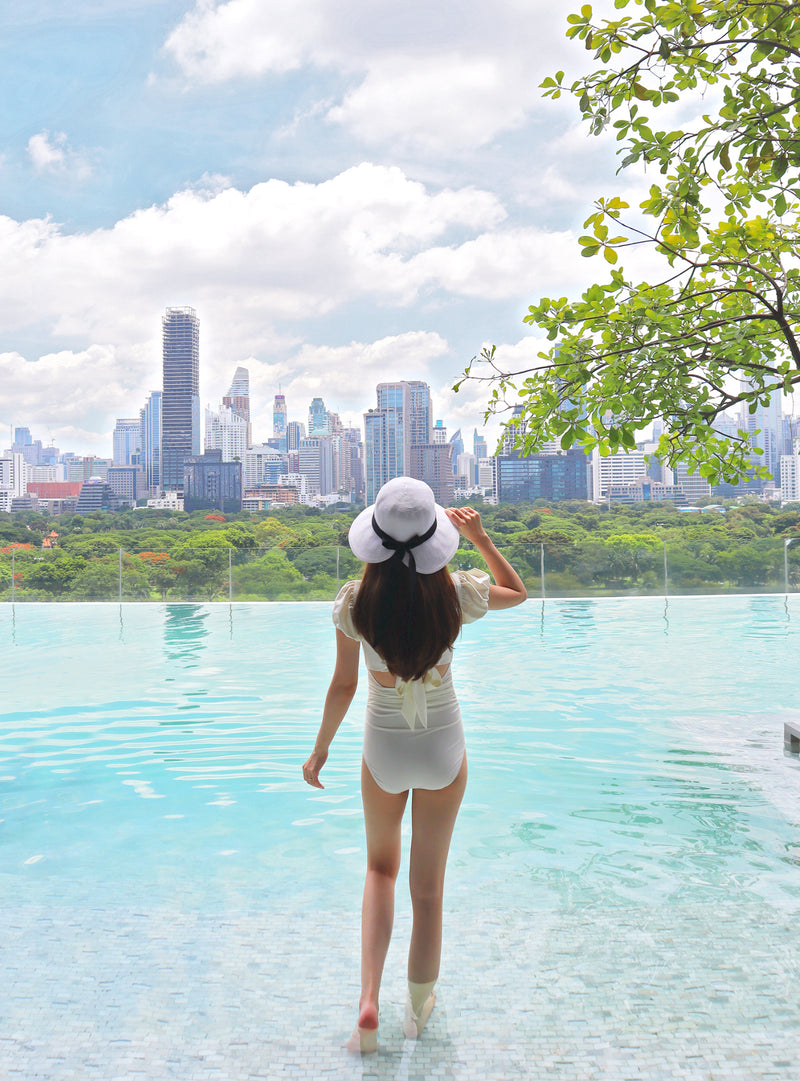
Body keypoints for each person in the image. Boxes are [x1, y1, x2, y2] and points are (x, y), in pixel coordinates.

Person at [302, 477, 527, 1053]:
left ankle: (368, 1001)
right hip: (443, 750)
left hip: (383, 750)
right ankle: (418, 1008)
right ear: (436, 540)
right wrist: (479, 537)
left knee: (380, 871)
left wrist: (321, 747)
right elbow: (517, 591)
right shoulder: (456, 593)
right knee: (428, 891)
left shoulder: (355, 601)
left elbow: (344, 685)